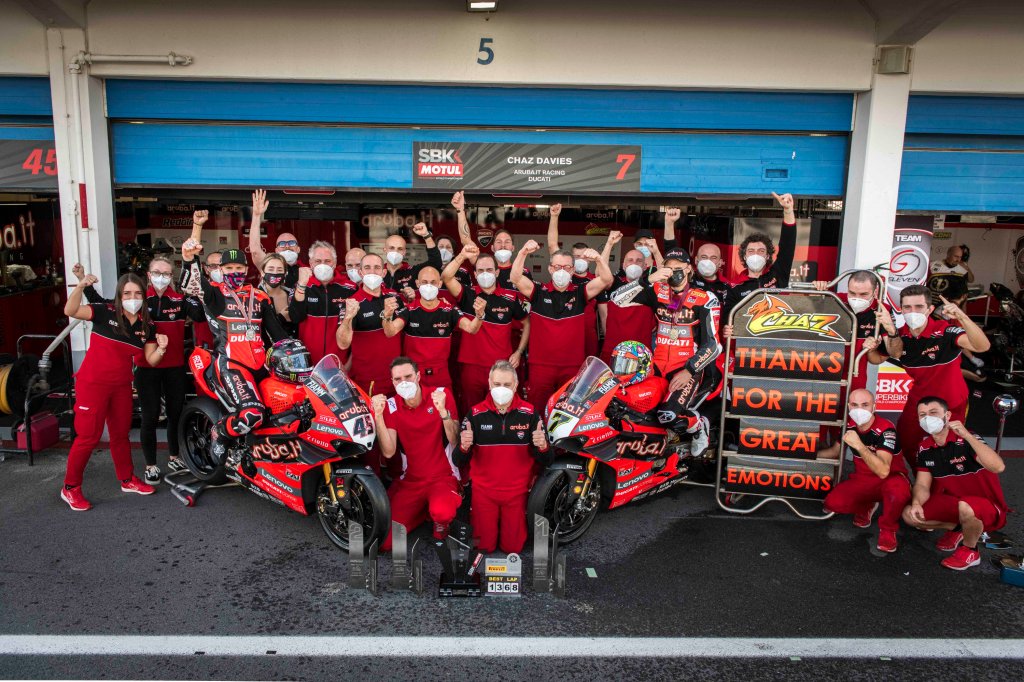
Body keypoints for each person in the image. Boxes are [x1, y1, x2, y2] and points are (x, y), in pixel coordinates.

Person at [76, 257, 205, 484]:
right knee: (150, 416)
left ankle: (174, 456)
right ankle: (150, 465)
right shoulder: (138, 299)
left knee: (176, 414)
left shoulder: (180, 299)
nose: (161, 277)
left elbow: (200, 315)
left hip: (174, 367)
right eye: (157, 272)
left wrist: (196, 292)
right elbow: (103, 305)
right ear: (148, 274)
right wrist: (83, 283)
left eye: (166, 273)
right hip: (147, 367)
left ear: (172, 276)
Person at [179, 211, 289, 461]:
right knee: (253, 414)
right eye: (228, 268)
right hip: (231, 366)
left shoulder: (259, 296)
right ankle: (220, 432)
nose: (234, 271)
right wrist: (191, 248)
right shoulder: (214, 294)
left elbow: (278, 335)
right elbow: (191, 282)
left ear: (246, 269)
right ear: (220, 270)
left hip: (261, 365)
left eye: (239, 267)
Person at [61, 270, 169, 510]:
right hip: (92, 385)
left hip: (121, 386)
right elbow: (71, 310)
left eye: (138, 293)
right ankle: (70, 487)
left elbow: (151, 360)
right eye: (127, 293)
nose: (133, 298)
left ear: (144, 296)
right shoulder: (104, 312)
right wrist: (80, 286)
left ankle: (127, 479)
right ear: (120, 295)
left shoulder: (147, 325)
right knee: (88, 437)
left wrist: (162, 348)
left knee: (120, 435)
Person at [611, 247, 721, 455]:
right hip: (657, 366)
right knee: (627, 404)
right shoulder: (657, 291)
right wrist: (647, 280)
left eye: (678, 267)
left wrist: (689, 370)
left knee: (667, 416)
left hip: (687, 368)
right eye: (669, 267)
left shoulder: (705, 298)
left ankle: (699, 426)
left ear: (688, 268)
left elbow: (713, 345)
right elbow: (616, 299)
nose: (673, 272)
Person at [869, 285, 990, 465]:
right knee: (907, 442)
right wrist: (870, 346)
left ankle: (939, 481)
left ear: (930, 309)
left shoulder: (946, 331)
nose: (913, 312)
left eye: (919, 307)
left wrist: (962, 317)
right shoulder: (900, 336)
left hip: (952, 401)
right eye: (907, 307)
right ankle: (921, 476)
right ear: (901, 309)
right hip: (919, 401)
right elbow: (876, 358)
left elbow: (983, 346)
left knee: (948, 448)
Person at [511, 233, 616, 413]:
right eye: (557, 267)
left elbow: (606, 280)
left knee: (567, 413)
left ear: (573, 270)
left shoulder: (580, 292)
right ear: (550, 269)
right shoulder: (538, 291)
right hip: (541, 366)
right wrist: (522, 253)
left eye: (567, 267)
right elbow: (515, 278)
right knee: (538, 410)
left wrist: (599, 259)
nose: (562, 271)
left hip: (572, 366)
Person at [902, 396, 1010, 571]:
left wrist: (967, 436)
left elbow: (998, 467)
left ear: (947, 415)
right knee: (909, 515)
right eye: (922, 415)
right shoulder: (924, 448)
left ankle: (970, 551)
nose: (928, 418)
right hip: (957, 503)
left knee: (966, 506)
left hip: (989, 507)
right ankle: (961, 529)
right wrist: (916, 503)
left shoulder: (967, 438)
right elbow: (922, 485)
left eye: (933, 412)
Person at [455, 360, 551, 554]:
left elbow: (548, 461)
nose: (501, 389)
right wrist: (464, 447)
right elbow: (458, 461)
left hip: (517, 493)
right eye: (497, 384)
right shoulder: (475, 414)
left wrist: (543, 446)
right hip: (483, 493)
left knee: (512, 548)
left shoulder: (530, 414)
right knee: (484, 547)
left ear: (516, 385)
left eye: (507, 385)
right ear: (489, 384)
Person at [372, 357, 461, 552]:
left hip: (442, 478)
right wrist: (378, 416)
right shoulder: (391, 405)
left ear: (418, 376)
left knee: (442, 513)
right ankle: (424, 511)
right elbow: (388, 451)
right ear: (392, 382)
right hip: (411, 482)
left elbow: (455, 439)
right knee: (385, 542)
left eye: (408, 376)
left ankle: (436, 515)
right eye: (398, 379)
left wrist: (443, 412)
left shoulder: (441, 394)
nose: (403, 382)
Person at [818, 389, 911, 553]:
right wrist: (803, 454)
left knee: (897, 491)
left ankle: (888, 529)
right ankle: (867, 504)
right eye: (854, 405)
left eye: (865, 405)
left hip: (890, 479)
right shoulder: (849, 425)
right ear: (849, 406)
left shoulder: (886, 429)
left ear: (874, 407)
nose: (859, 409)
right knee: (831, 503)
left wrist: (859, 445)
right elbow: (834, 452)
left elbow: (883, 471)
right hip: (863, 480)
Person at [441, 244, 530, 414]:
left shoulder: (510, 298)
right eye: (480, 271)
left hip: (501, 367)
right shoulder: (467, 294)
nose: (485, 274)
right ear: (474, 274)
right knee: (471, 410)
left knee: (503, 411)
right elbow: (446, 276)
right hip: (471, 366)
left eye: (489, 270)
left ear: (497, 272)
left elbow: (527, 323)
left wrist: (519, 352)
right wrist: (462, 256)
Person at [384, 266, 485, 393]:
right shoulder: (410, 309)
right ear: (417, 284)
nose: (429, 286)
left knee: (445, 405)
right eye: (424, 282)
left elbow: (471, 328)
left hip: (441, 374)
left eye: (433, 282)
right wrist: (387, 316)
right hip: (413, 374)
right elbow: (390, 331)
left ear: (440, 284)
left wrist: (480, 315)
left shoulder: (450, 310)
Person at [336, 252, 405, 397]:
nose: (372, 272)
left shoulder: (394, 297)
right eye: (367, 268)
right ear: (360, 272)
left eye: (377, 268)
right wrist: (348, 317)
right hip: (369, 380)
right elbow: (342, 344)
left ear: (384, 272)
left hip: (398, 377)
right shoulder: (353, 303)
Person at [813, 270, 891, 391]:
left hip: (855, 376)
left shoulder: (882, 310)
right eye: (852, 293)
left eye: (863, 294)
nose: (857, 298)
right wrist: (816, 292)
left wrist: (871, 349)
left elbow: (885, 355)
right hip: (823, 372)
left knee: (857, 401)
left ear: (875, 291)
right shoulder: (834, 299)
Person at [725, 192, 798, 313]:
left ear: (767, 256)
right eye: (751, 251)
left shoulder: (777, 274)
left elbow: (788, 246)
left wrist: (788, 210)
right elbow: (728, 317)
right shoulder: (735, 286)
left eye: (761, 251)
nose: (755, 254)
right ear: (744, 256)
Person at [546, 203, 601, 358]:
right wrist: (554, 217)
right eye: (576, 257)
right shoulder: (564, 275)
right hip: (566, 331)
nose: (580, 260)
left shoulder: (595, 280)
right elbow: (552, 245)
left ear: (590, 258)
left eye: (584, 256)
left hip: (588, 333)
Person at [290, 241, 356, 364]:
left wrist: (349, 363)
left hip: (339, 362)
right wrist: (301, 285)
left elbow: (356, 330)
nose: (323, 265)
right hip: (308, 362)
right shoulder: (302, 286)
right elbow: (295, 317)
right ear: (311, 263)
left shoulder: (349, 288)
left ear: (334, 263)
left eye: (327, 261)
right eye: (318, 261)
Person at [452, 191, 532, 292]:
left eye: (507, 242)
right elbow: (465, 239)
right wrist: (460, 209)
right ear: (492, 248)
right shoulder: (482, 264)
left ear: (513, 248)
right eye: (498, 242)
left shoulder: (523, 272)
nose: (503, 245)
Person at [598, 247, 656, 365]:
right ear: (623, 266)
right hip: (613, 350)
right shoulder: (614, 284)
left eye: (639, 261)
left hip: (641, 353)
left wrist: (655, 251)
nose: (634, 263)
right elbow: (600, 273)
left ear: (645, 266)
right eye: (630, 260)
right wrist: (609, 244)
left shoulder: (652, 289)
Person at [247, 189, 303, 288]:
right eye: (282, 244)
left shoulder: (306, 269)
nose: (287, 246)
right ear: (276, 250)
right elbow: (255, 250)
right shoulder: (268, 265)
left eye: (291, 243)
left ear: (298, 249)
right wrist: (256, 215)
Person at [607, 341, 669, 418]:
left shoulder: (655, 385)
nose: (618, 369)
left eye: (627, 365)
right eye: (616, 363)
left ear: (643, 366)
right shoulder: (609, 379)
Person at [382, 222, 443, 299]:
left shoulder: (413, 271)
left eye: (400, 249)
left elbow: (436, 262)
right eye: (392, 248)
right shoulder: (377, 272)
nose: (395, 252)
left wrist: (426, 235)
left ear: (404, 252)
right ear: (385, 250)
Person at [258, 253, 296, 336]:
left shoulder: (292, 294)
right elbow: (257, 328)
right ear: (262, 272)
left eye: (279, 270)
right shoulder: (255, 297)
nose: (275, 273)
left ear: (285, 273)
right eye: (271, 269)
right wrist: (281, 318)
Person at [191, 250, 222, 350]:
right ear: (206, 269)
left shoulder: (235, 291)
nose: (218, 269)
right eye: (213, 266)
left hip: (229, 346)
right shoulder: (197, 289)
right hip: (206, 345)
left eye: (221, 265)